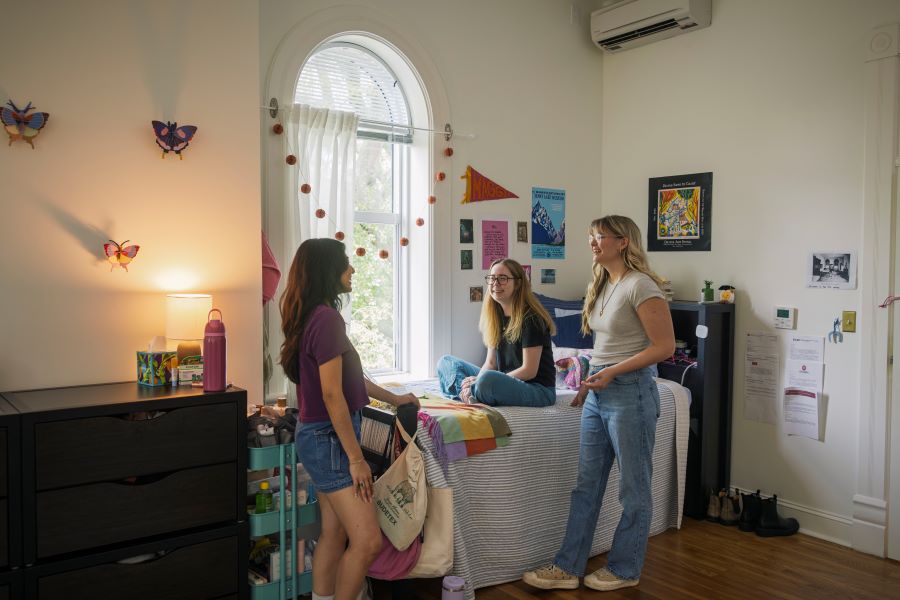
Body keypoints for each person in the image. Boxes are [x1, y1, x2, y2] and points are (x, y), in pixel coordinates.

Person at [522, 215, 675, 592]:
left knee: (634, 490)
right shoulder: (604, 283)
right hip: (599, 393)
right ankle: (567, 567)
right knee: (586, 485)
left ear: (623, 242)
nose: (592, 242)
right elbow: (603, 347)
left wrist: (611, 373)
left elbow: (664, 348)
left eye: (600, 236)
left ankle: (625, 569)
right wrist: (588, 381)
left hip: (631, 393)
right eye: (590, 236)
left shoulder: (642, 286)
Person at [280, 238, 419, 600]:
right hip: (329, 440)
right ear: (328, 270)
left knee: (334, 534)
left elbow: (350, 379)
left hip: (318, 436)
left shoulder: (314, 314)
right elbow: (331, 394)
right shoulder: (326, 319)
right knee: (368, 541)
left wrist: (394, 398)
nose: (353, 269)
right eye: (346, 263)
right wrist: (356, 459)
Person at [437, 258, 557, 407]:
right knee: (446, 362)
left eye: (503, 278)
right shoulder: (496, 317)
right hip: (503, 379)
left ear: (518, 283)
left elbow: (529, 371)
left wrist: (481, 380)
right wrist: (478, 379)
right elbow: (491, 362)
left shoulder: (531, 319)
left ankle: (471, 393)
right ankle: (471, 395)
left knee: (487, 380)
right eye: (492, 278)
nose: (495, 283)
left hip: (538, 389)